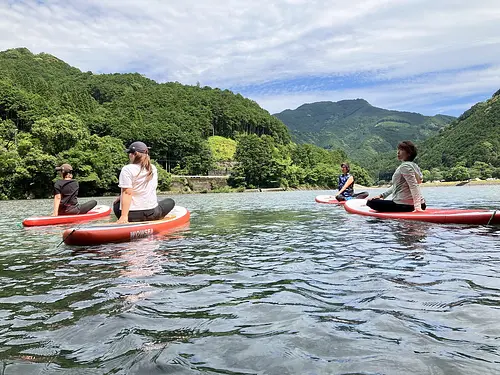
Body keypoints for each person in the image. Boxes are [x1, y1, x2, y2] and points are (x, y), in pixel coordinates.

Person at [114, 141, 175, 224]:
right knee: (170, 201)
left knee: (116, 204)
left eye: (129, 153)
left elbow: (127, 193)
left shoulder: (127, 169)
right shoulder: (153, 168)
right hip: (151, 214)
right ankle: (160, 217)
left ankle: (124, 217)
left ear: (134, 154)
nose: (129, 155)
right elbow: (150, 189)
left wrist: (124, 216)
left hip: (132, 216)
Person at [367, 141, 426, 212]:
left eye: (401, 150)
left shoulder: (405, 166)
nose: (398, 152)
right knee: (376, 201)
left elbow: (414, 186)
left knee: (370, 202)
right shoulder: (414, 166)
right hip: (422, 204)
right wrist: (382, 196)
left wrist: (417, 207)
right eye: (398, 150)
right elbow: (398, 185)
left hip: (405, 206)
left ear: (409, 153)